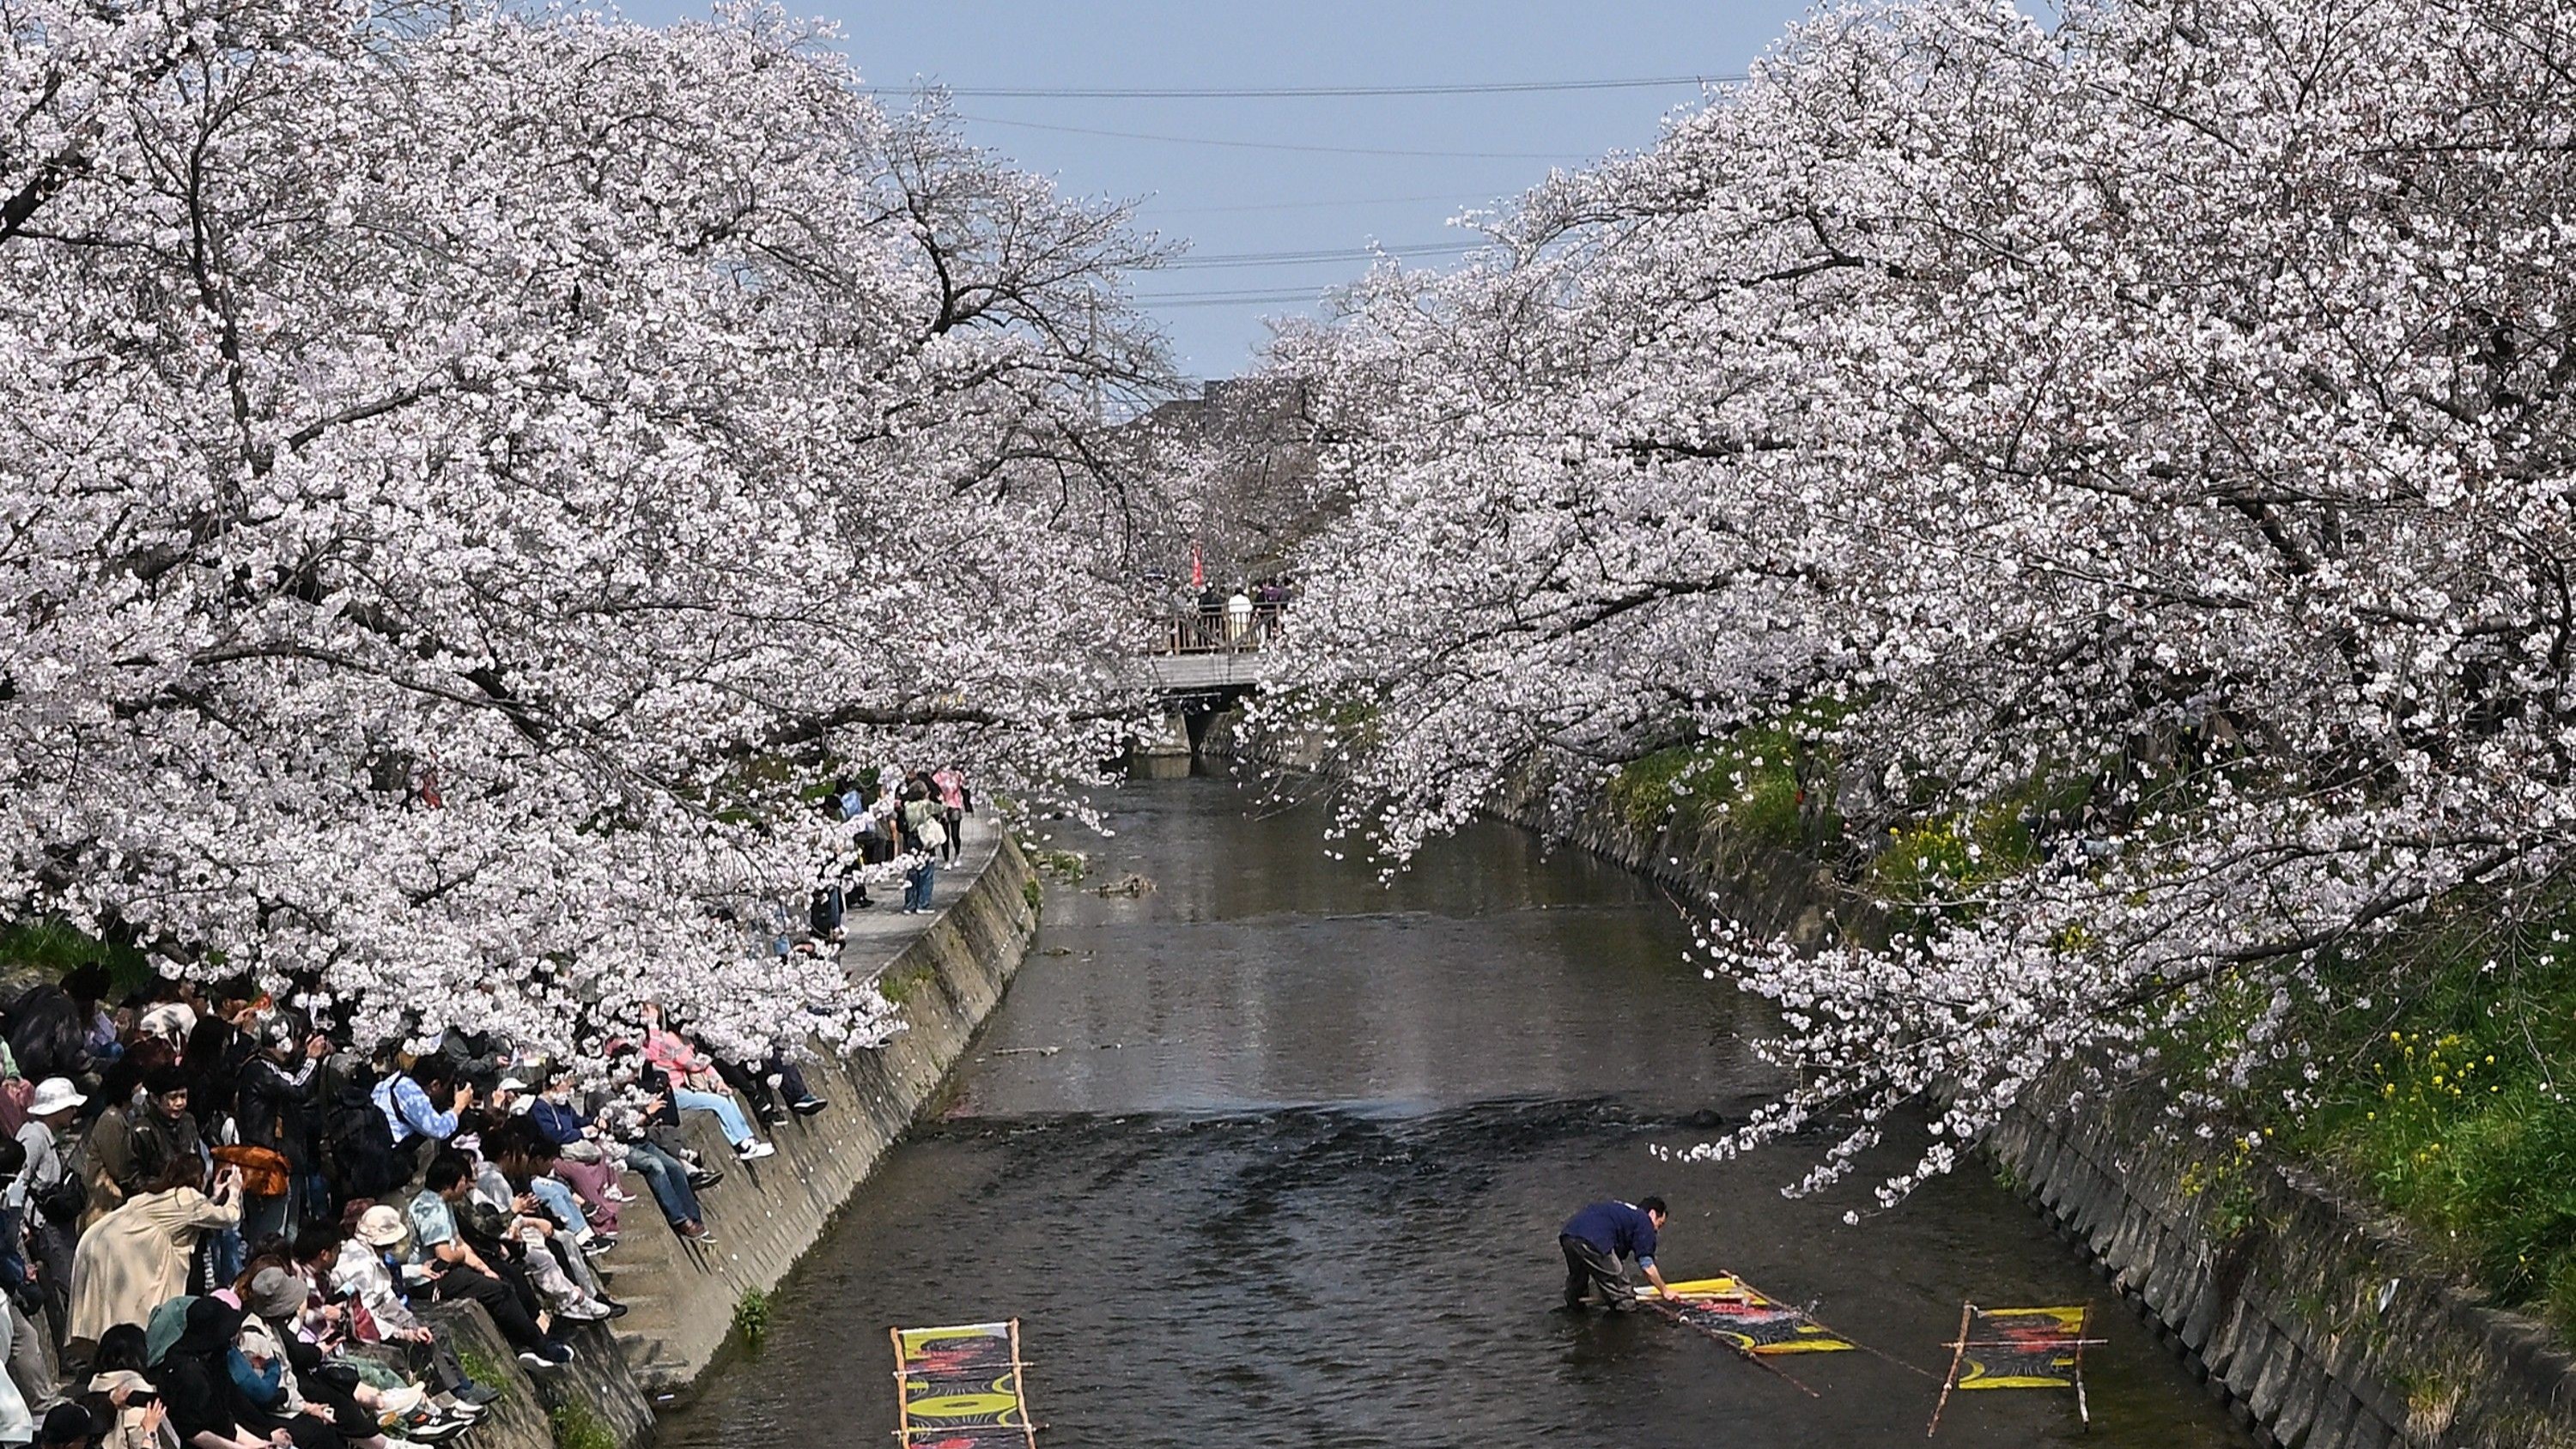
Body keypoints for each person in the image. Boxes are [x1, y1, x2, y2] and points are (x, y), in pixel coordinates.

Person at [67, 1158, 242, 1359]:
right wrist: (235, 1191)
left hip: (102, 1240)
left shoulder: (157, 1193)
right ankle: (129, 1359)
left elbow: (194, 1214)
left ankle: (107, 1356)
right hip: (129, 1252)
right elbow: (228, 1217)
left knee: (108, 1311)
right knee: (132, 1313)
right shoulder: (186, 1198)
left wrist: (214, 1196)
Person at [1558, 1197, 1674, 1313]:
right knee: (1623, 1294)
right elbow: (1647, 1265)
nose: (1656, 1231)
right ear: (1653, 1214)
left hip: (1569, 1235)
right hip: (1595, 1240)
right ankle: (1623, 1322)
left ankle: (1574, 1312)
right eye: (1659, 1225)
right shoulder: (1644, 1221)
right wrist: (1664, 1290)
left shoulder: (1624, 1213)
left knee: (1578, 1283)